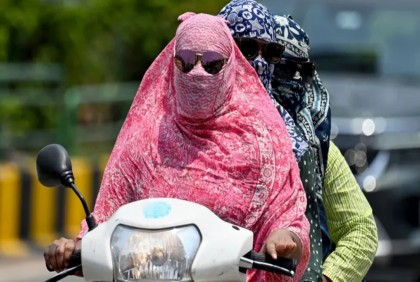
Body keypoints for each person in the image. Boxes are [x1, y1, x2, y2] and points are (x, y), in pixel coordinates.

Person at [44, 12, 311, 281]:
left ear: (230, 66)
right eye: (184, 62)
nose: (197, 72)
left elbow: (288, 217)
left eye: (211, 63)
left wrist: (286, 238)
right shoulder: (145, 138)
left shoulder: (263, 141)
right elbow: (106, 225)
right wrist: (74, 248)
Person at [218, 1, 378, 281]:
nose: (290, 78)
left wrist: (323, 278)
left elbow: (360, 228)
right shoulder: (197, 131)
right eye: (278, 64)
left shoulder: (313, 146)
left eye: (301, 70)